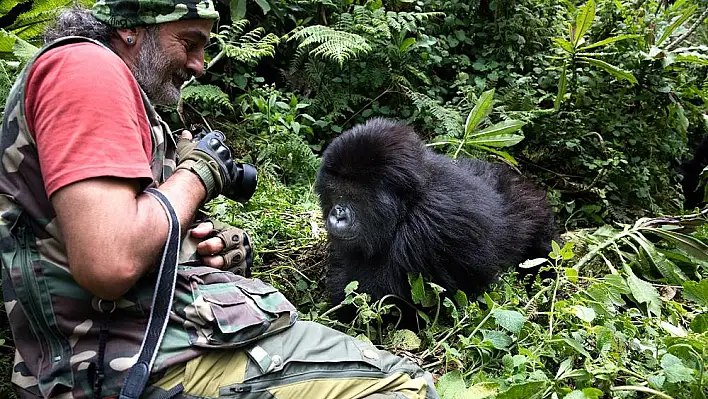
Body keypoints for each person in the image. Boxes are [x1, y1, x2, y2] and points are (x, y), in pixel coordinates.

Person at [0, 1, 441, 399]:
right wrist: (200, 172)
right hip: (128, 366)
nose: (199, 65)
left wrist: (200, 249)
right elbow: (109, 261)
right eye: (189, 42)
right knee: (405, 387)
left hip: (132, 348)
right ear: (133, 28)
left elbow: (85, 237)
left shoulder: (108, 87)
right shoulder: (85, 70)